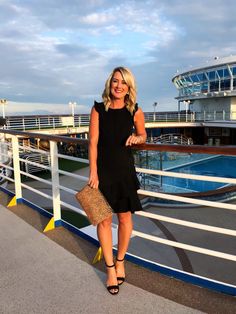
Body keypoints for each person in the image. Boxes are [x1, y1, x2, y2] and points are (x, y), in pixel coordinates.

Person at [88, 66, 147, 295]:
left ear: (129, 87)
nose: (118, 86)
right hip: (102, 173)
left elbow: (143, 135)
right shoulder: (98, 109)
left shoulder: (135, 110)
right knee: (103, 221)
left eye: (123, 82)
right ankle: (110, 268)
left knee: (124, 219)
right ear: (109, 84)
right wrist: (93, 171)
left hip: (124, 172)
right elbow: (93, 142)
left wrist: (138, 137)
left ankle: (120, 260)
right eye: (115, 81)